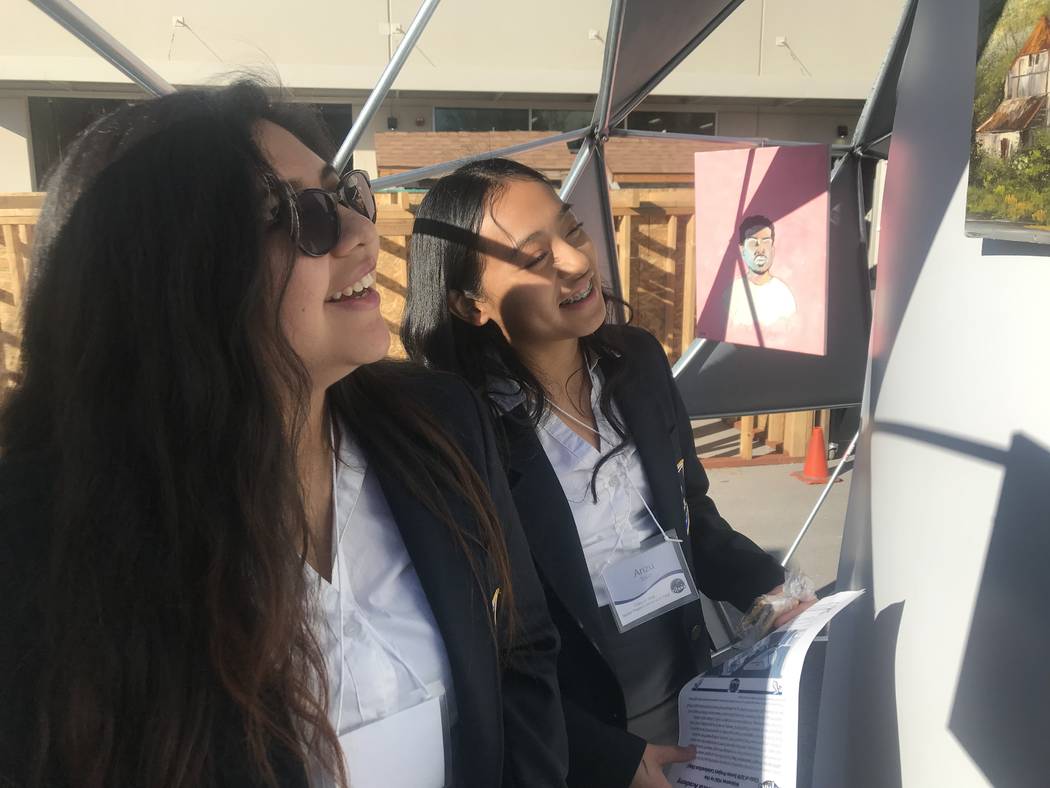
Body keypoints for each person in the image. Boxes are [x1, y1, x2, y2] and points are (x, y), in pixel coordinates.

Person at [0, 84, 567, 788]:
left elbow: (522, 650)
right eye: (298, 217)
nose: (363, 233)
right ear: (171, 277)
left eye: (346, 195)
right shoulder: (54, 550)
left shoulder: (442, 426)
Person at [402, 158, 806, 788]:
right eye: (536, 257)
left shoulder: (636, 361)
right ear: (469, 302)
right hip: (573, 744)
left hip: (694, 697)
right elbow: (481, 643)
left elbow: (692, 513)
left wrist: (769, 587)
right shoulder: (460, 433)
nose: (575, 260)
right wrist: (607, 758)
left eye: (573, 230)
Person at [725, 215, 797, 329]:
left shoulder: (783, 295)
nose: (760, 249)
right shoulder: (732, 293)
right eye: (753, 242)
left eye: (766, 242)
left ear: (773, 250)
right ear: (742, 250)